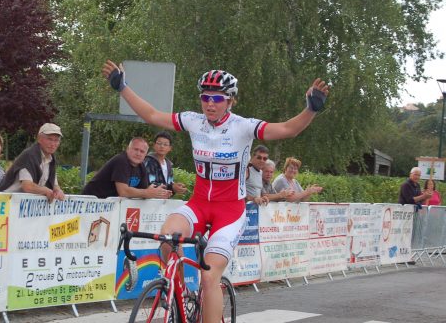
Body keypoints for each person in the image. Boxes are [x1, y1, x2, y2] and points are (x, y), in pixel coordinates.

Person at [101, 59, 329, 323]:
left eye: (217, 99)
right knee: (166, 239)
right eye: (205, 97)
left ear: (230, 101)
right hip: (198, 204)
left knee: (209, 277)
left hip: (230, 212)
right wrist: (123, 88)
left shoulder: (243, 127)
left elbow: (288, 129)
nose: (210, 103)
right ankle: (180, 297)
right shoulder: (193, 121)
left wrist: (310, 110)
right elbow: (152, 115)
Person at [82, 137, 173, 199]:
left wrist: (158, 194)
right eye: (135, 149)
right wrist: (147, 193)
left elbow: (143, 191)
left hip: (110, 207)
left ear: (146, 154)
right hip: (91, 202)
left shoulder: (141, 167)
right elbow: (124, 192)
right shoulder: (121, 161)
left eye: (142, 151)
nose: (138, 153)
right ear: (127, 149)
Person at [0, 123, 65, 202]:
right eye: (49, 139)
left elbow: (54, 184)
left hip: (20, 204)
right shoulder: (29, 156)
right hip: (5, 203)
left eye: (56, 140)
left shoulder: (51, 158)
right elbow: (27, 186)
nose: (53, 144)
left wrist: (58, 191)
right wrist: (46, 191)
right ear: (39, 139)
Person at [143, 131, 188, 197]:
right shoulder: (148, 161)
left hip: (162, 200)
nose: (162, 146)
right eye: (159, 143)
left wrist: (176, 187)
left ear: (170, 148)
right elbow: (149, 183)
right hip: (148, 200)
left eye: (165, 144)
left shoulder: (169, 164)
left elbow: (169, 184)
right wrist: (171, 188)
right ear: (154, 145)